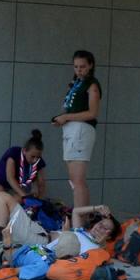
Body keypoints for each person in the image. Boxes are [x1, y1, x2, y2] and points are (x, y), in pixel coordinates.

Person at [0, 191, 121, 251]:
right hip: (40, 232)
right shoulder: (83, 232)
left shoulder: (94, 248)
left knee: (3, 198)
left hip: (41, 242)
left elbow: (71, 254)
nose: (99, 227)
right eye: (100, 223)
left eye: (105, 228)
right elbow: (76, 212)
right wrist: (98, 208)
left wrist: (101, 243)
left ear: (109, 237)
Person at [52, 50, 101, 209]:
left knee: (78, 180)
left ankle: (80, 219)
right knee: (74, 179)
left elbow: (92, 113)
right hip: (71, 129)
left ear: (90, 66)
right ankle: (79, 215)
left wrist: (66, 117)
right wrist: (62, 118)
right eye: (76, 67)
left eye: (83, 66)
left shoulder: (91, 84)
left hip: (81, 130)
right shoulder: (76, 83)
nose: (79, 70)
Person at [0, 130, 47, 240]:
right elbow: (10, 177)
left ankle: (6, 228)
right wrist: (24, 195)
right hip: (0, 186)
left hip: (17, 190)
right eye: (32, 156)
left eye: (38, 157)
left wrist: (38, 200)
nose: (35, 160)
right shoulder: (14, 153)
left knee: (17, 199)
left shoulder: (37, 161)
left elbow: (41, 182)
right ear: (24, 151)